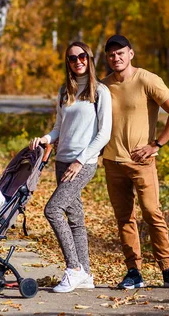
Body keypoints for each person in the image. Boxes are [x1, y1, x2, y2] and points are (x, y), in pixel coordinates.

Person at [101, 34, 169, 289]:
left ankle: (168, 270)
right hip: (111, 162)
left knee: (152, 213)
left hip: (141, 163)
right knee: (124, 218)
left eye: (120, 53)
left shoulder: (147, 79)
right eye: (111, 54)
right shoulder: (103, 86)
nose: (115, 58)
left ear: (131, 53)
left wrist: (156, 144)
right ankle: (133, 272)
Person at [29, 41, 112, 293]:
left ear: (89, 59)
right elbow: (58, 127)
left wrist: (80, 160)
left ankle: (73, 268)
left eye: (82, 57)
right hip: (61, 160)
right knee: (75, 217)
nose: (78, 61)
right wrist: (46, 139)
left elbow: (104, 134)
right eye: (72, 58)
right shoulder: (65, 91)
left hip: (83, 163)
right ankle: (85, 274)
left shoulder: (101, 92)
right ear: (68, 63)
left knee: (53, 209)